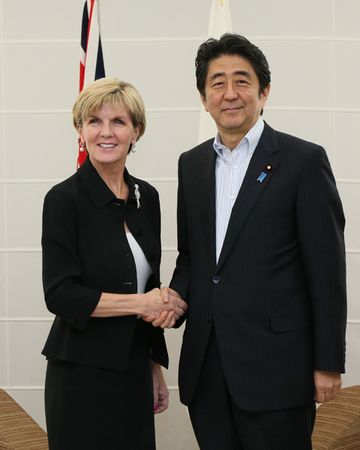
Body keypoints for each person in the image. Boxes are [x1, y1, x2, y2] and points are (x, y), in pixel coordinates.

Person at [163, 34, 347, 450]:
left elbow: (327, 269)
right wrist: (176, 297)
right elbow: (194, 257)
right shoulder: (191, 165)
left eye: (242, 81)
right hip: (207, 367)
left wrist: (328, 363)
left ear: (264, 91)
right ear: (203, 97)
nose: (230, 93)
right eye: (217, 82)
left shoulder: (303, 160)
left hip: (277, 369)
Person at [41, 77, 187, 450]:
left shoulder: (147, 197)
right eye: (94, 121)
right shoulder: (63, 200)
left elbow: (148, 281)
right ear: (80, 130)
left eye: (118, 122)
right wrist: (144, 304)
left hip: (134, 370)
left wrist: (154, 365)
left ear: (136, 131)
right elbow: (61, 295)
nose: (106, 132)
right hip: (80, 373)